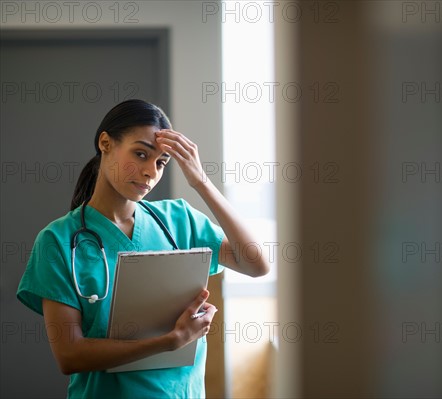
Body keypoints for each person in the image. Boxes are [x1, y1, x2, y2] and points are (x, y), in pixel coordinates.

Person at [16, 99, 269, 398]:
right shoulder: (58, 240)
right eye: (141, 154)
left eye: (161, 162)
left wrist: (200, 182)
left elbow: (256, 264)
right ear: (106, 143)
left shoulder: (179, 220)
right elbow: (70, 355)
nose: (151, 171)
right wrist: (169, 342)